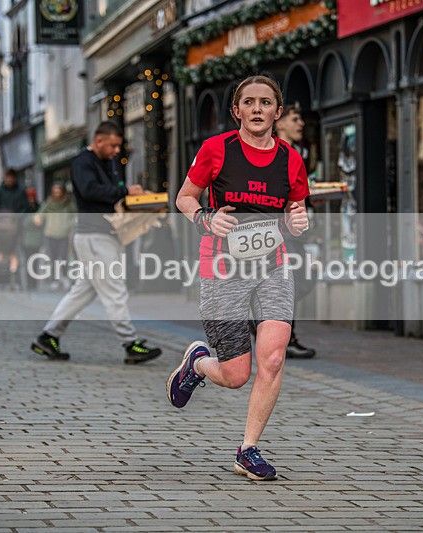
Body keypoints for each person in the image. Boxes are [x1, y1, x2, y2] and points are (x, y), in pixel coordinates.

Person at [167, 75, 310, 481]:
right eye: (249, 102)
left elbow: (296, 213)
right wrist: (206, 218)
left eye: (266, 102)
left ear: (277, 112)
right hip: (222, 267)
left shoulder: (291, 159)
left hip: (273, 266)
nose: (258, 109)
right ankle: (197, 365)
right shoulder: (217, 150)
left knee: (275, 355)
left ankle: (248, 450)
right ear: (237, 111)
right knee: (235, 375)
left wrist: (298, 223)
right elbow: (184, 197)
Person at [30, 121, 162, 364]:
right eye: (112, 145)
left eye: (118, 147)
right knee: (115, 290)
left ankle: (48, 336)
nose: (115, 151)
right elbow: (90, 191)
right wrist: (124, 193)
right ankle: (130, 343)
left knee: (82, 292)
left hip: (101, 235)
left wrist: (127, 192)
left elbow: (107, 191)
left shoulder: (106, 162)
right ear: (98, 140)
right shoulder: (83, 162)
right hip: (94, 236)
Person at [270, 103, 316, 359]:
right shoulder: (276, 152)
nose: (301, 124)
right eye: (295, 118)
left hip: (295, 227)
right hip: (279, 229)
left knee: (300, 282)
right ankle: (284, 337)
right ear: (280, 122)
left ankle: (269, 327)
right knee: (291, 283)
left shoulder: (297, 151)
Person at [34, 182, 77, 290]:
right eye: (55, 192)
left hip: (64, 234)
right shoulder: (49, 203)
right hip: (50, 234)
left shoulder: (69, 204)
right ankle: (54, 280)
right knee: (52, 258)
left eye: (59, 191)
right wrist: (38, 219)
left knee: (63, 257)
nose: (57, 194)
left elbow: (75, 216)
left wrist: (70, 225)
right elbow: (40, 214)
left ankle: (65, 277)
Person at [20, 187, 43, 290]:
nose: (31, 199)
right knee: (28, 262)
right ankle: (29, 283)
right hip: (26, 240)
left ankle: (34, 283)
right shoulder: (23, 208)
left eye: (32, 196)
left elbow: (42, 222)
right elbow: (23, 223)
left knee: (35, 262)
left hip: (36, 240)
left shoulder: (39, 207)